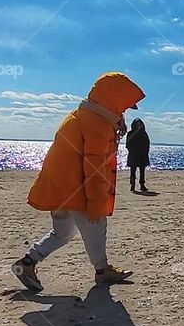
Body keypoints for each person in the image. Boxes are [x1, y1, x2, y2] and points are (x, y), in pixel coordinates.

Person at [12, 71, 145, 293]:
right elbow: (94, 167)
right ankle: (102, 270)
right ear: (114, 99)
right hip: (77, 190)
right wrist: (95, 202)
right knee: (97, 224)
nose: (124, 111)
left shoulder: (81, 115)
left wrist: (115, 122)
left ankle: (26, 263)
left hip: (59, 188)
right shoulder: (97, 125)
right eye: (123, 106)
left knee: (62, 233)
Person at [126, 117, 150, 193]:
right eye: (137, 124)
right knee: (132, 171)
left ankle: (142, 185)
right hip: (133, 155)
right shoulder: (130, 133)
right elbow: (128, 144)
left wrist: (145, 151)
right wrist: (132, 151)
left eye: (139, 124)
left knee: (142, 171)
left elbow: (147, 144)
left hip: (142, 155)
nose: (138, 125)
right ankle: (132, 185)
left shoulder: (144, 133)